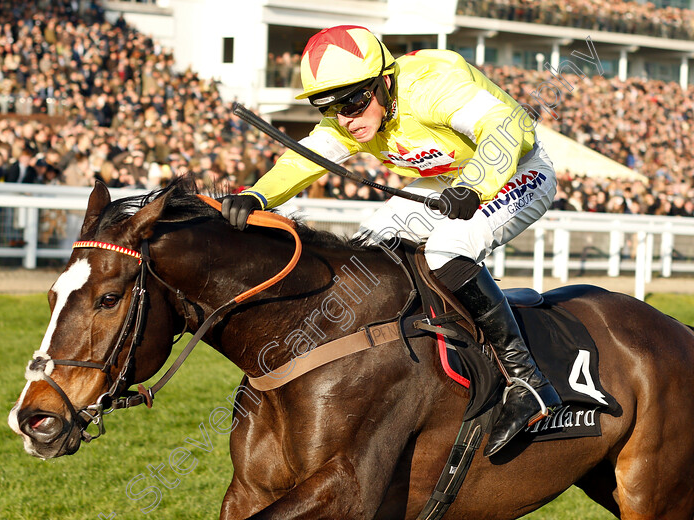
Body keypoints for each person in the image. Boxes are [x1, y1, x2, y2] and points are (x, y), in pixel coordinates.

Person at [221, 25, 561, 457]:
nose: (345, 117)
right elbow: (305, 158)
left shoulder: (430, 86)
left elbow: (503, 125)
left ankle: (527, 381)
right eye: (328, 107)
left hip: (516, 170)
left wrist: (477, 184)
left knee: (447, 251)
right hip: (449, 183)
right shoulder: (350, 115)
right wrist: (257, 195)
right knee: (365, 255)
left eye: (354, 101)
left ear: (385, 81)